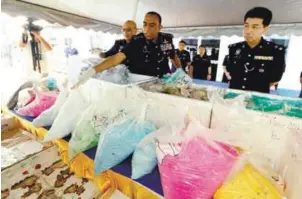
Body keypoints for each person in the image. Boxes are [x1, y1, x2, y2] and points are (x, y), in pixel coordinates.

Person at [73, 11, 181, 88]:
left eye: (152, 25)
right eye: (145, 25)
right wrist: (92, 71)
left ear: (160, 27)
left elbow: (173, 56)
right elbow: (116, 58)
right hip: (142, 84)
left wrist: (180, 72)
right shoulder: (137, 40)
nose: (147, 29)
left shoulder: (167, 39)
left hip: (164, 82)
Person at [224, 7, 286, 93]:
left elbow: (275, 79)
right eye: (246, 26)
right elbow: (230, 71)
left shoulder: (275, 51)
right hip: (233, 98)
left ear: (265, 28)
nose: (248, 31)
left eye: (255, 27)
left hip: (257, 100)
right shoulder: (234, 48)